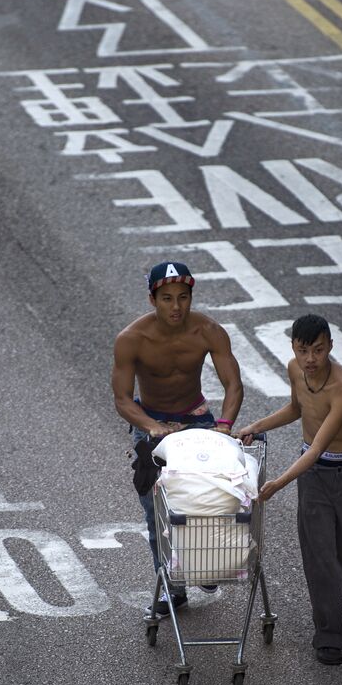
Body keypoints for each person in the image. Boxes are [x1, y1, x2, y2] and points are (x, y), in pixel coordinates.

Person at [237, 315, 342, 666]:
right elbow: (296, 409)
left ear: (330, 346)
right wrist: (256, 425)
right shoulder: (295, 370)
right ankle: (329, 635)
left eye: (318, 350)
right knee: (319, 556)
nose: (310, 359)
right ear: (293, 349)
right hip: (314, 479)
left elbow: (317, 448)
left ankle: (328, 590)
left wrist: (279, 483)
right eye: (303, 351)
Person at [112, 261, 244, 617]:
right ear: (152, 299)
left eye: (183, 298)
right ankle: (173, 591)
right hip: (151, 421)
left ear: (191, 297)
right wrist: (151, 427)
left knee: (211, 500)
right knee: (157, 514)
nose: (176, 307)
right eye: (167, 298)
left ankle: (208, 567)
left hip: (197, 418)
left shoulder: (208, 331)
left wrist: (226, 424)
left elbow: (233, 384)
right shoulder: (131, 339)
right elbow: (123, 399)